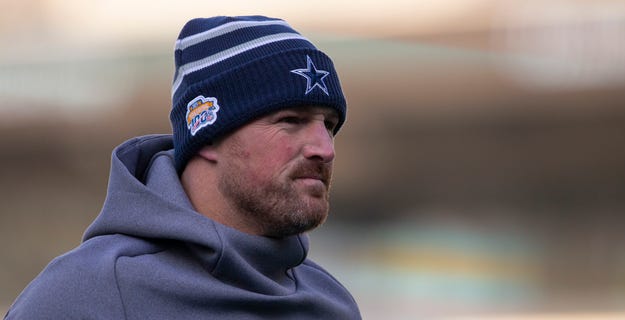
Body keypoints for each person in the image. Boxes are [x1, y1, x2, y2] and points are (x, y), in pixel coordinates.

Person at [5, 15, 361, 319]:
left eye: (329, 125)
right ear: (207, 135)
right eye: (290, 120)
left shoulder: (331, 303)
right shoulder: (88, 295)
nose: (324, 149)